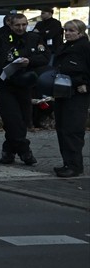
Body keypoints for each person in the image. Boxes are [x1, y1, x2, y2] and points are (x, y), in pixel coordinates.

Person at [0, 12, 46, 165]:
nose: (21, 28)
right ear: (10, 25)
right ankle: (25, 151)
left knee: (23, 120)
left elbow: (44, 57)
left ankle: (8, 151)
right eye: (17, 25)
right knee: (11, 120)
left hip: (25, 86)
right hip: (6, 86)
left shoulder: (34, 39)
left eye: (24, 24)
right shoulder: (1, 40)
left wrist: (29, 61)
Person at [51, 19, 89, 177]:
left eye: (72, 30)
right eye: (66, 30)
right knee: (62, 129)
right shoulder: (65, 47)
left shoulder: (85, 48)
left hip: (77, 94)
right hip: (62, 92)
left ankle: (74, 165)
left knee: (72, 130)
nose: (67, 33)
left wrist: (87, 85)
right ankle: (67, 163)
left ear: (80, 32)